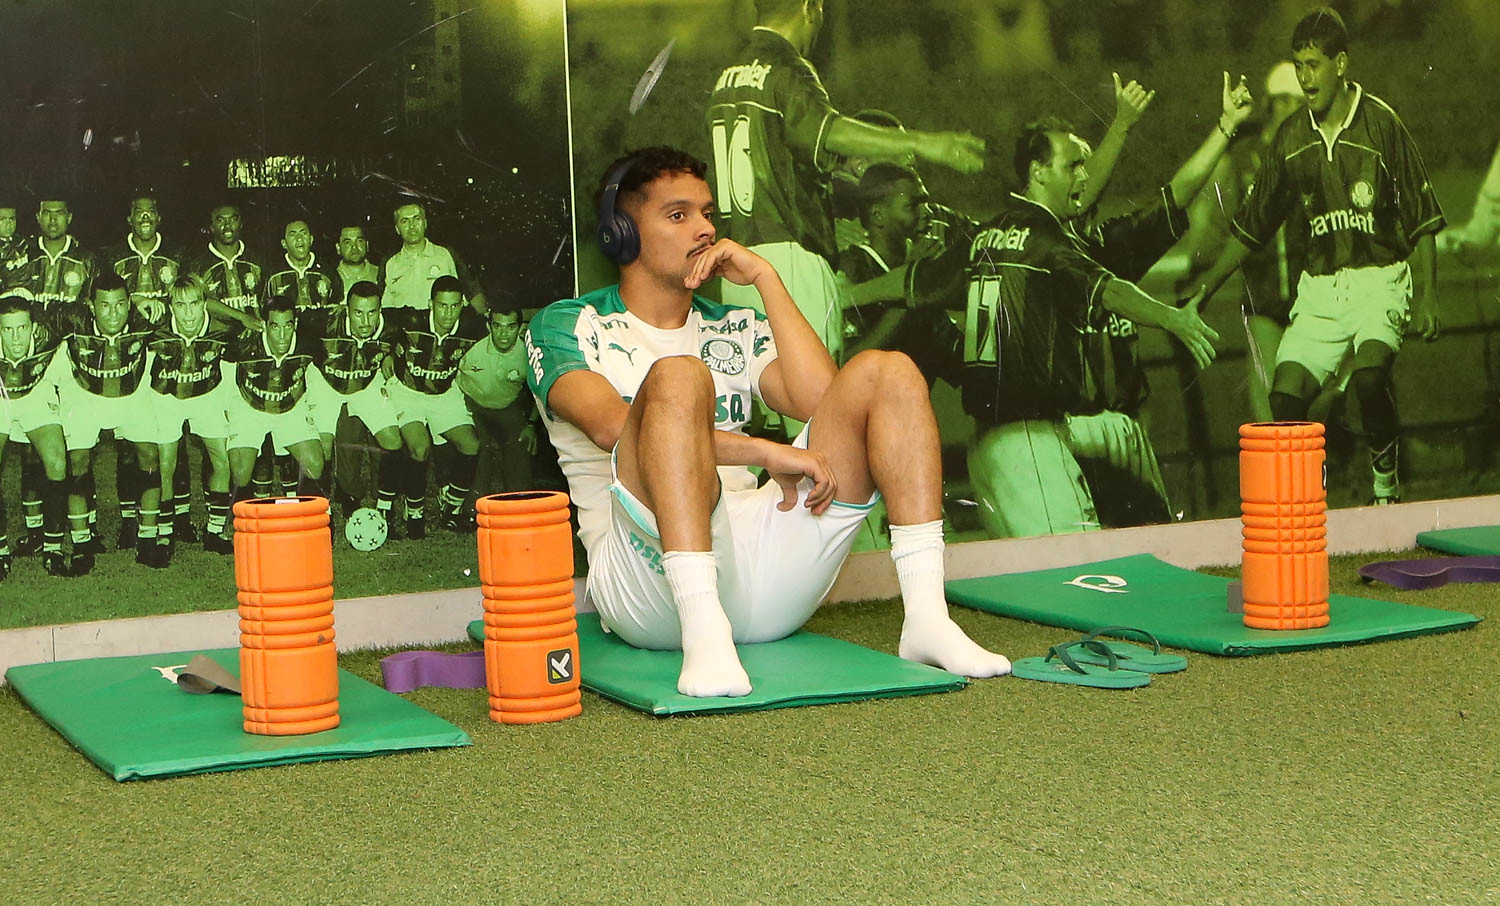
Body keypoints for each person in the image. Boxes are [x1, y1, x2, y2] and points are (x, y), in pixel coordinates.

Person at [526, 147, 1011, 698]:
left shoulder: (734, 323)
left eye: (708, 214)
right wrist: (763, 451)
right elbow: (613, 428)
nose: (705, 229)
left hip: (764, 571)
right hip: (649, 586)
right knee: (678, 377)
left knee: (888, 372)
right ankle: (704, 632)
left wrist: (765, 278)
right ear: (623, 233)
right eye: (678, 215)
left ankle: (927, 618)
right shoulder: (569, 324)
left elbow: (828, 403)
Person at [1189, 8, 1444, 505]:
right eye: (1298, 66)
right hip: (1322, 290)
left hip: (1378, 280)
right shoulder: (1290, 139)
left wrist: (1429, 295)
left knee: (1369, 379)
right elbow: (1250, 226)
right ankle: (1311, 498)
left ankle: (1385, 484)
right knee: (1284, 399)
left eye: (1313, 66)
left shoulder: (1381, 124)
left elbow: (1422, 215)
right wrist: (1206, 288)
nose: (1306, 79)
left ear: (1341, 64)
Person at [927, 120, 1219, 539]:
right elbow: (1110, 289)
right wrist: (1171, 318)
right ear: (1038, 172)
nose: (1085, 178)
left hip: (1005, 439)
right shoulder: (1049, 242)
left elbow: (918, 288)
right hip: (1030, 441)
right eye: (1074, 167)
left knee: (1122, 440)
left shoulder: (987, 235)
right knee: (1079, 565)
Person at [705, 0, 985, 372]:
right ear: (810, 7)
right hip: (790, 263)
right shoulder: (787, 68)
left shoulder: (725, 81)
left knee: (764, 399)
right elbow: (830, 131)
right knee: (820, 398)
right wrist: (924, 143)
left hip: (738, 266)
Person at [1180, 62, 1309, 422]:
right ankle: (1273, 461)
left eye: (1299, 102)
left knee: (1317, 394)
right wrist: (1199, 267)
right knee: (1267, 397)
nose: (1292, 110)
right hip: (1262, 297)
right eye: (1285, 100)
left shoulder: (1316, 154)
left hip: (1313, 294)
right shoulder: (1242, 160)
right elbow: (1216, 224)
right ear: (1271, 103)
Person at [3, 198, 96, 556]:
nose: (54, 220)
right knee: (29, 451)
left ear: (69, 217)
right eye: (47, 213)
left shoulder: (86, 258)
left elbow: (95, 308)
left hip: (69, 362)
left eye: (60, 213)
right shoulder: (22, 256)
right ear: (38, 217)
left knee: (75, 446)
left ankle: (85, 525)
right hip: (25, 359)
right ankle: (35, 531)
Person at [54, 272, 165, 573]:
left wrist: (144, 302)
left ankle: (148, 540)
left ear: (129, 303)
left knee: (149, 455)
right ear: (91, 306)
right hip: (85, 393)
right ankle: (81, 544)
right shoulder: (74, 322)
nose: (113, 314)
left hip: (130, 393)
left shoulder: (143, 322)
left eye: (120, 305)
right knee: (77, 461)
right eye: (104, 305)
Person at [384, 275, 485, 536]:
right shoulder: (411, 320)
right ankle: (414, 511)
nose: (448, 314)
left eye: (454, 306)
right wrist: (386, 353)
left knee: (471, 445)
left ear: (462, 305)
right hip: (407, 392)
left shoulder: (472, 326)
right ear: (431, 304)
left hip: (444, 393)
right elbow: (381, 326)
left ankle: (451, 507)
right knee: (419, 448)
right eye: (442, 305)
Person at [145, 277, 236, 559]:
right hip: (167, 396)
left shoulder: (222, 330)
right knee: (165, 462)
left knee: (222, 458)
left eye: (194, 304)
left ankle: (215, 531)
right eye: (180, 305)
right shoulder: (156, 332)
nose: (188, 313)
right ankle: (165, 533)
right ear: (170, 306)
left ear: (204, 303)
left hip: (206, 393)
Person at [304, 280, 404, 521]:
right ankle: (322, 512)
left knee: (393, 441)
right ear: (346, 309)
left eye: (372, 313)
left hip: (364, 382)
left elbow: (404, 337)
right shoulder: (325, 320)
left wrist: (391, 354)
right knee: (323, 447)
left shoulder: (391, 326)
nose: (366, 321)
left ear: (380, 310)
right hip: (326, 382)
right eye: (358, 313)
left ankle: (385, 507)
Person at [223, 293, 326, 502]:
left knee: (315, 464)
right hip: (250, 406)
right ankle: (247, 513)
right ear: (264, 325)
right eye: (275, 327)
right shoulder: (244, 343)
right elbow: (225, 368)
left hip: (289, 406)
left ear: (295, 324)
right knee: (241, 473)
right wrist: (227, 408)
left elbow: (320, 367)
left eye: (288, 326)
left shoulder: (309, 342)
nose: (282, 336)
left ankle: (305, 511)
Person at [0, 291, 72, 578]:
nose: (16, 338)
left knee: (57, 461)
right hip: (1, 397)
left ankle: (52, 549)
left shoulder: (48, 336)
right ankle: (1, 550)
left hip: (34, 393)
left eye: (22, 328)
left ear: (33, 326)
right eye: (7, 330)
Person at [457, 296, 540, 493]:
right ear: (489, 326)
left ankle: (519, 501)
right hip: (471, 405)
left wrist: (531, 425)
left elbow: (539, 391)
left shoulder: (529, 354)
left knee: (522, 443)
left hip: (506, 406)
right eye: (497, 326)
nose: (503, 334)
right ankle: (474, 505)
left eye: (510, 327)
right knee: (480, 450)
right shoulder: (470, 346)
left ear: (520, 328)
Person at [379, 203, 485, 314]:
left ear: (425, 223)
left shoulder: (445, 255)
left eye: (417, 219)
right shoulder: (390, 263)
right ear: (397, 229)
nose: (412, 226)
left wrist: (483, 318)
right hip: (404, 324)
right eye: (405, 221)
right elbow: (383, 306)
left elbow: (473, 291)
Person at [193, 204, 265, 332]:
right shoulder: (198, 265)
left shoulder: (257, 261)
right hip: (216, 339)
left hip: (256, 336)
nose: (227, 225)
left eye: (233, 219)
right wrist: (242, 317)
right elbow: (198, 300)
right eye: (220, 220)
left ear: (241, 224)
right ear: (212, 227)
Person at [263, 220, 339, 313]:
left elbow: (337, 310)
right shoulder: (273, 275)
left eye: (303, 233)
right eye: (293, 234)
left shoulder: (328, 272)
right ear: (284, 244)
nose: (299, 239)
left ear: (311, 239)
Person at [334, 225, 380, 304]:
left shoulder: (381, 274)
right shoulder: (332, 279)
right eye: (347, 242)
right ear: (338, 248)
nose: (354, 247)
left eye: (359, 241)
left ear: (367, 245)